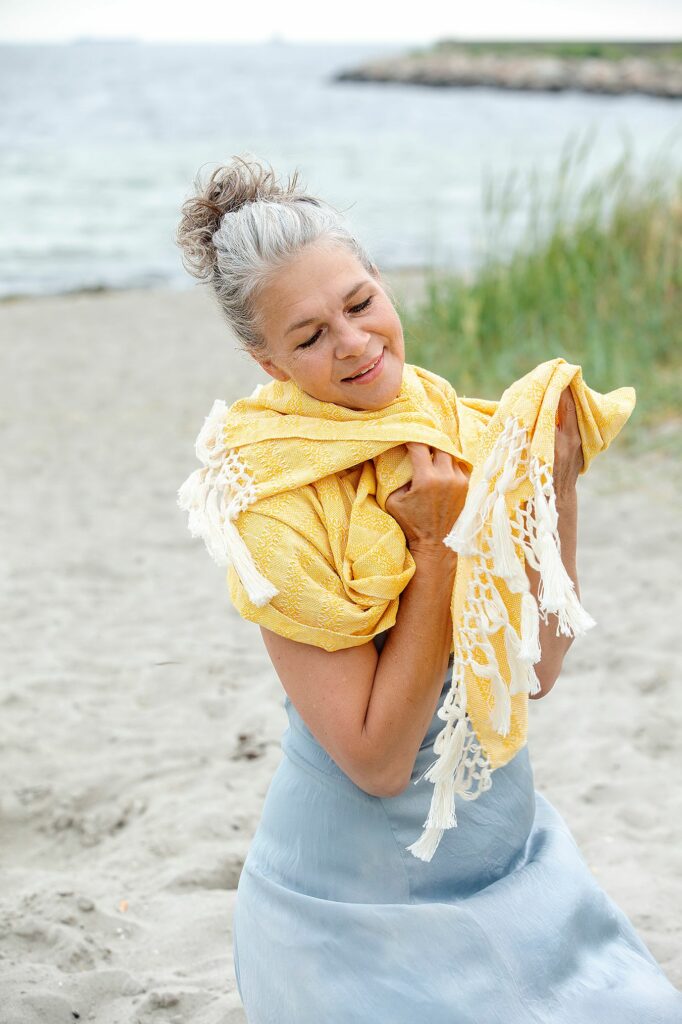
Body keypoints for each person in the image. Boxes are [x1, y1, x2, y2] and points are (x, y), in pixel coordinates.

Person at [176, 155, 682, 1023]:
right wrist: (439, 548)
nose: (354, 342)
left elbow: (533, 670)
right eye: (308, 336)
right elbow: (375, 760)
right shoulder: (272, 508)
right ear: (267, 361)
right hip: (353, 910)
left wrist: (555, 485)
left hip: (514, 867)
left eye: (360, 302)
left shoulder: (457, 429)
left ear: (381, 284)